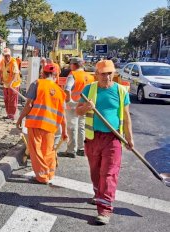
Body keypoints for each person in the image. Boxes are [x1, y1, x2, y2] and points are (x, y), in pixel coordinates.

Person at [76, 60, 133, 225]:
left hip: (113, 139)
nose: (107, 77)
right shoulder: (89, 89)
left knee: (108, 174)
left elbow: (126, 116)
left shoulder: (121, 91)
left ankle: (105, 209)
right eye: (103, 73)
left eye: (110, 73)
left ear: (114, 73)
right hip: (93, 138)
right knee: (95, 172)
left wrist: (129, 138)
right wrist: (86, 107)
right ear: (96, 74)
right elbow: (78, 111)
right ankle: (98, 194)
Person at [16, 64, 68, 184]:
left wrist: (20, 119)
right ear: (56, 76)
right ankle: (49, 173)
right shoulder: (60, 91)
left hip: (36, 123)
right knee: (48, 150)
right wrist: (64, 131)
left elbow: (29, 104)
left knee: (36, 151)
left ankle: (42, 177)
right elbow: (63, 114)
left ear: (43, 74)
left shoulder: (37, 83)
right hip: (51, 127)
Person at [61, 57, 93, 158]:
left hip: (74, 104)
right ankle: (81, 148)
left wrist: (69, 101)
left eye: (70, 64)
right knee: (81, 126)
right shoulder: (89, 76)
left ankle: (71, 150)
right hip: (84, 104)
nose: (70, 66)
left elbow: (67, 89)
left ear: (74, 65)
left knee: (72, 127)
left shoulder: (73, 75)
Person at [0, 48, 21, 120]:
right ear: (3, 56)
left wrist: (11, 83)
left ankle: (12, 115)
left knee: (12, 100)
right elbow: (1, 71)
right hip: (6, 84)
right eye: (5, 56)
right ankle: (8, 114)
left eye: (8, 56)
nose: (7, 57)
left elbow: (15, 74)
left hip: (13, 85)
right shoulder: (2, 62)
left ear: (10, 55)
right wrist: (1, 79)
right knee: (6, 99)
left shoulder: (13, 62)